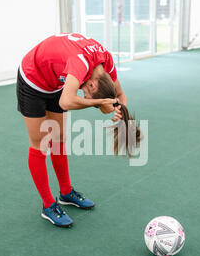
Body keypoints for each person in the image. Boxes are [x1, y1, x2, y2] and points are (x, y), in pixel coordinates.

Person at [17, 33, 139, 228]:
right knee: (40, 143)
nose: (84, 94)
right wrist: (97, 102)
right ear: (92, 83)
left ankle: (66, 193)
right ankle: (48, 205)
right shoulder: (80, 64)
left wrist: (118, 110)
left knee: (58, 138)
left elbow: (121, 94)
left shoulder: (106, 62)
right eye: (86, 92)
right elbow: (66, 101)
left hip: (56, 79)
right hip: (33, 79)